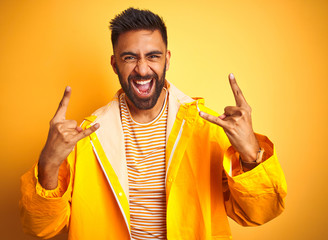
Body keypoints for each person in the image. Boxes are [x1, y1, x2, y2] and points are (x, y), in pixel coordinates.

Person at [20, 8, 287, 240]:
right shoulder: (86, 139)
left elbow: (258, 214)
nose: (143, 69)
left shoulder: (206, 128)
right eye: (129, 57)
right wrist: (49, 164)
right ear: (114, 64)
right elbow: (41, 228)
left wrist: (251, 153)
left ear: (167, 59)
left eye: (153, 56)